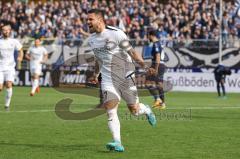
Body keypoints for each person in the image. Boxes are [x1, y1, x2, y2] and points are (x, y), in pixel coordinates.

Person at [87, 9, 156, 152]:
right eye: (87, 20)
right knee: (110, 110)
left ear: (100, 19)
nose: (88, 22)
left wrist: (144, 65)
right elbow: (98, 59)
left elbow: (132, 52)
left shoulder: (116, 33)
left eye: (90, 19)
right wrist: (95, 74)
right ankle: (117, 142)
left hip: (126, 75)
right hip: (107, 78)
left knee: (134, 110)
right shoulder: (92, 39)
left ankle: (146, 110)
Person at [0, 24, 23, 110]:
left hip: (10, 67)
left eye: (7, 30)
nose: (5, 31)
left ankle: (7, 105)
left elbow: (20, 50)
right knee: (0, 87)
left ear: (10, 31)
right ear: (2, 31)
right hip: (0, 67)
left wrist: (20, 57)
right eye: (4, 30)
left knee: (9, 85)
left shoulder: (14, 41)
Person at [146, 30, 166, 109]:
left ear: (151, 35)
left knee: (147, 82)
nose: (148, 37)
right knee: (159, 85)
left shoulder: (156, 44)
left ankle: (158, 99)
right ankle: (162, 103)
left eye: (148, 35)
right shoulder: (159, 43)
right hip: (161, 64)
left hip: (157, 65)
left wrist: (156, 68)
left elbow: (158, 56)